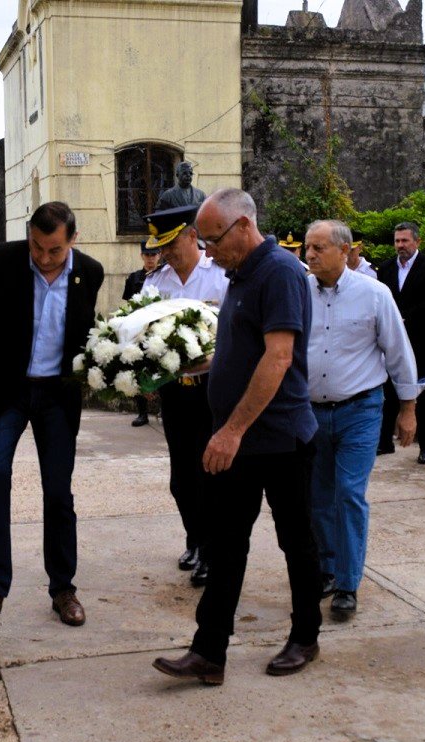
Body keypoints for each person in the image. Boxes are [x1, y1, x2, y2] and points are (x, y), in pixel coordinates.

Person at [152, 188, 322, 685]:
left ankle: (305, 636)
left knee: (296, 541)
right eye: (203, 241)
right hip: (243, 440)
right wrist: (191, 365)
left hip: (280, 439)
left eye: (213, 239)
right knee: (225, 544)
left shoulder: (280, 272)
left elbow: (278, 358)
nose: (208, 250)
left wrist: (231, 431)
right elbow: (241, 350)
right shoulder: (241, 274)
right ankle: (208, 653)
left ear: (244, 226)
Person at [0, 202, 104, 626]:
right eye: (36, 247)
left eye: (54, 249)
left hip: (57, 396)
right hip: (9, 392)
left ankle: (63, 589)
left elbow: (86, 335)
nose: (43, 257)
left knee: (58, 491)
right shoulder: (2, 259)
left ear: (72, 240)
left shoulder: (89, 272)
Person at [304, 220, 423, 620]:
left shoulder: (374, 294)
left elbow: (398, 352)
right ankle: (327, 567)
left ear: (344, 250)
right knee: (318, 496)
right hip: (311, 413)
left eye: (319, 247)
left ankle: (347, 583)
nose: (310, 255)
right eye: (308, 247)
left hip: (360, 410)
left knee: (349, 494)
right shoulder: (299, 292)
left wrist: (408, 408)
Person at [142, 204, 229, 587]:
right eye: (162, 247)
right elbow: (141, 332)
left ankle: (211, 551)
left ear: (193, 236)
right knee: (181, 479)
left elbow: (236, 330)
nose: (166, 253)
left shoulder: (220, 277)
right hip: (175, 393)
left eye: (172, 244)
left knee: (210, 475)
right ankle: (195, 539)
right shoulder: (155, 283)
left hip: (213, 391)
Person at [377, 222, 425, 463]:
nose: (400, 245)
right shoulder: (386, 268)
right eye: (397, 241)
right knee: (388, 390)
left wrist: (405, 318)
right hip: (392, 340)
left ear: (417, 241)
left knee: (424, 393)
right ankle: (384, 441)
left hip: (420, 339)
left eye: (405, 240)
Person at [122, 243, 162, 427]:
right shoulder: (134, 278)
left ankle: (163, 409)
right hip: (139, 329)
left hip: (160, 328)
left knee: (164, 367)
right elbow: (128, 305)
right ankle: (142, 412)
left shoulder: (164, 276)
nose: (150, 258)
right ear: (142, 256)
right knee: (139, 368)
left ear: (159, 255)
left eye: (153, 255)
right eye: (147, 255)